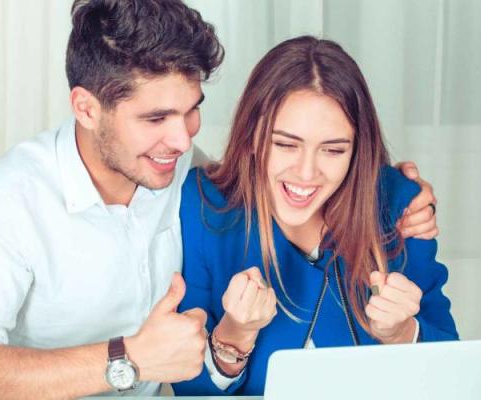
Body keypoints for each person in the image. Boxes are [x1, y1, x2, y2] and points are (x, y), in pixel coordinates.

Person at [0, 1, 439, 398]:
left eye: (191, 110)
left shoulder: (185, 178)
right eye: (154, 118)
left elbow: (283, 171)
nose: (181, 138)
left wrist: (393, 191)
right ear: (86, 108)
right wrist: (129, 359)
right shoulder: (5, 203)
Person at [172, 36, 459, 396]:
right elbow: (190, 390)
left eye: (333, 150)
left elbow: (452, 372)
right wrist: (235, 336)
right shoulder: (202, 205)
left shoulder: (401, 204)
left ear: (358, 150)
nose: (306, 174)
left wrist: (404, 335)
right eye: (286, 144)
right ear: (252, 135)